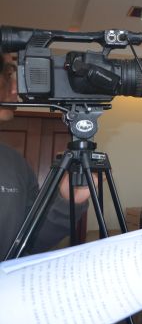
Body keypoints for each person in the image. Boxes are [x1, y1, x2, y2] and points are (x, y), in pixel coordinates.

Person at [0, 51, 90, 260]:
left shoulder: (15, 163)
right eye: (8, 74)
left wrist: (67, 201)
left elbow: (29, 243)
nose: (15, 89)